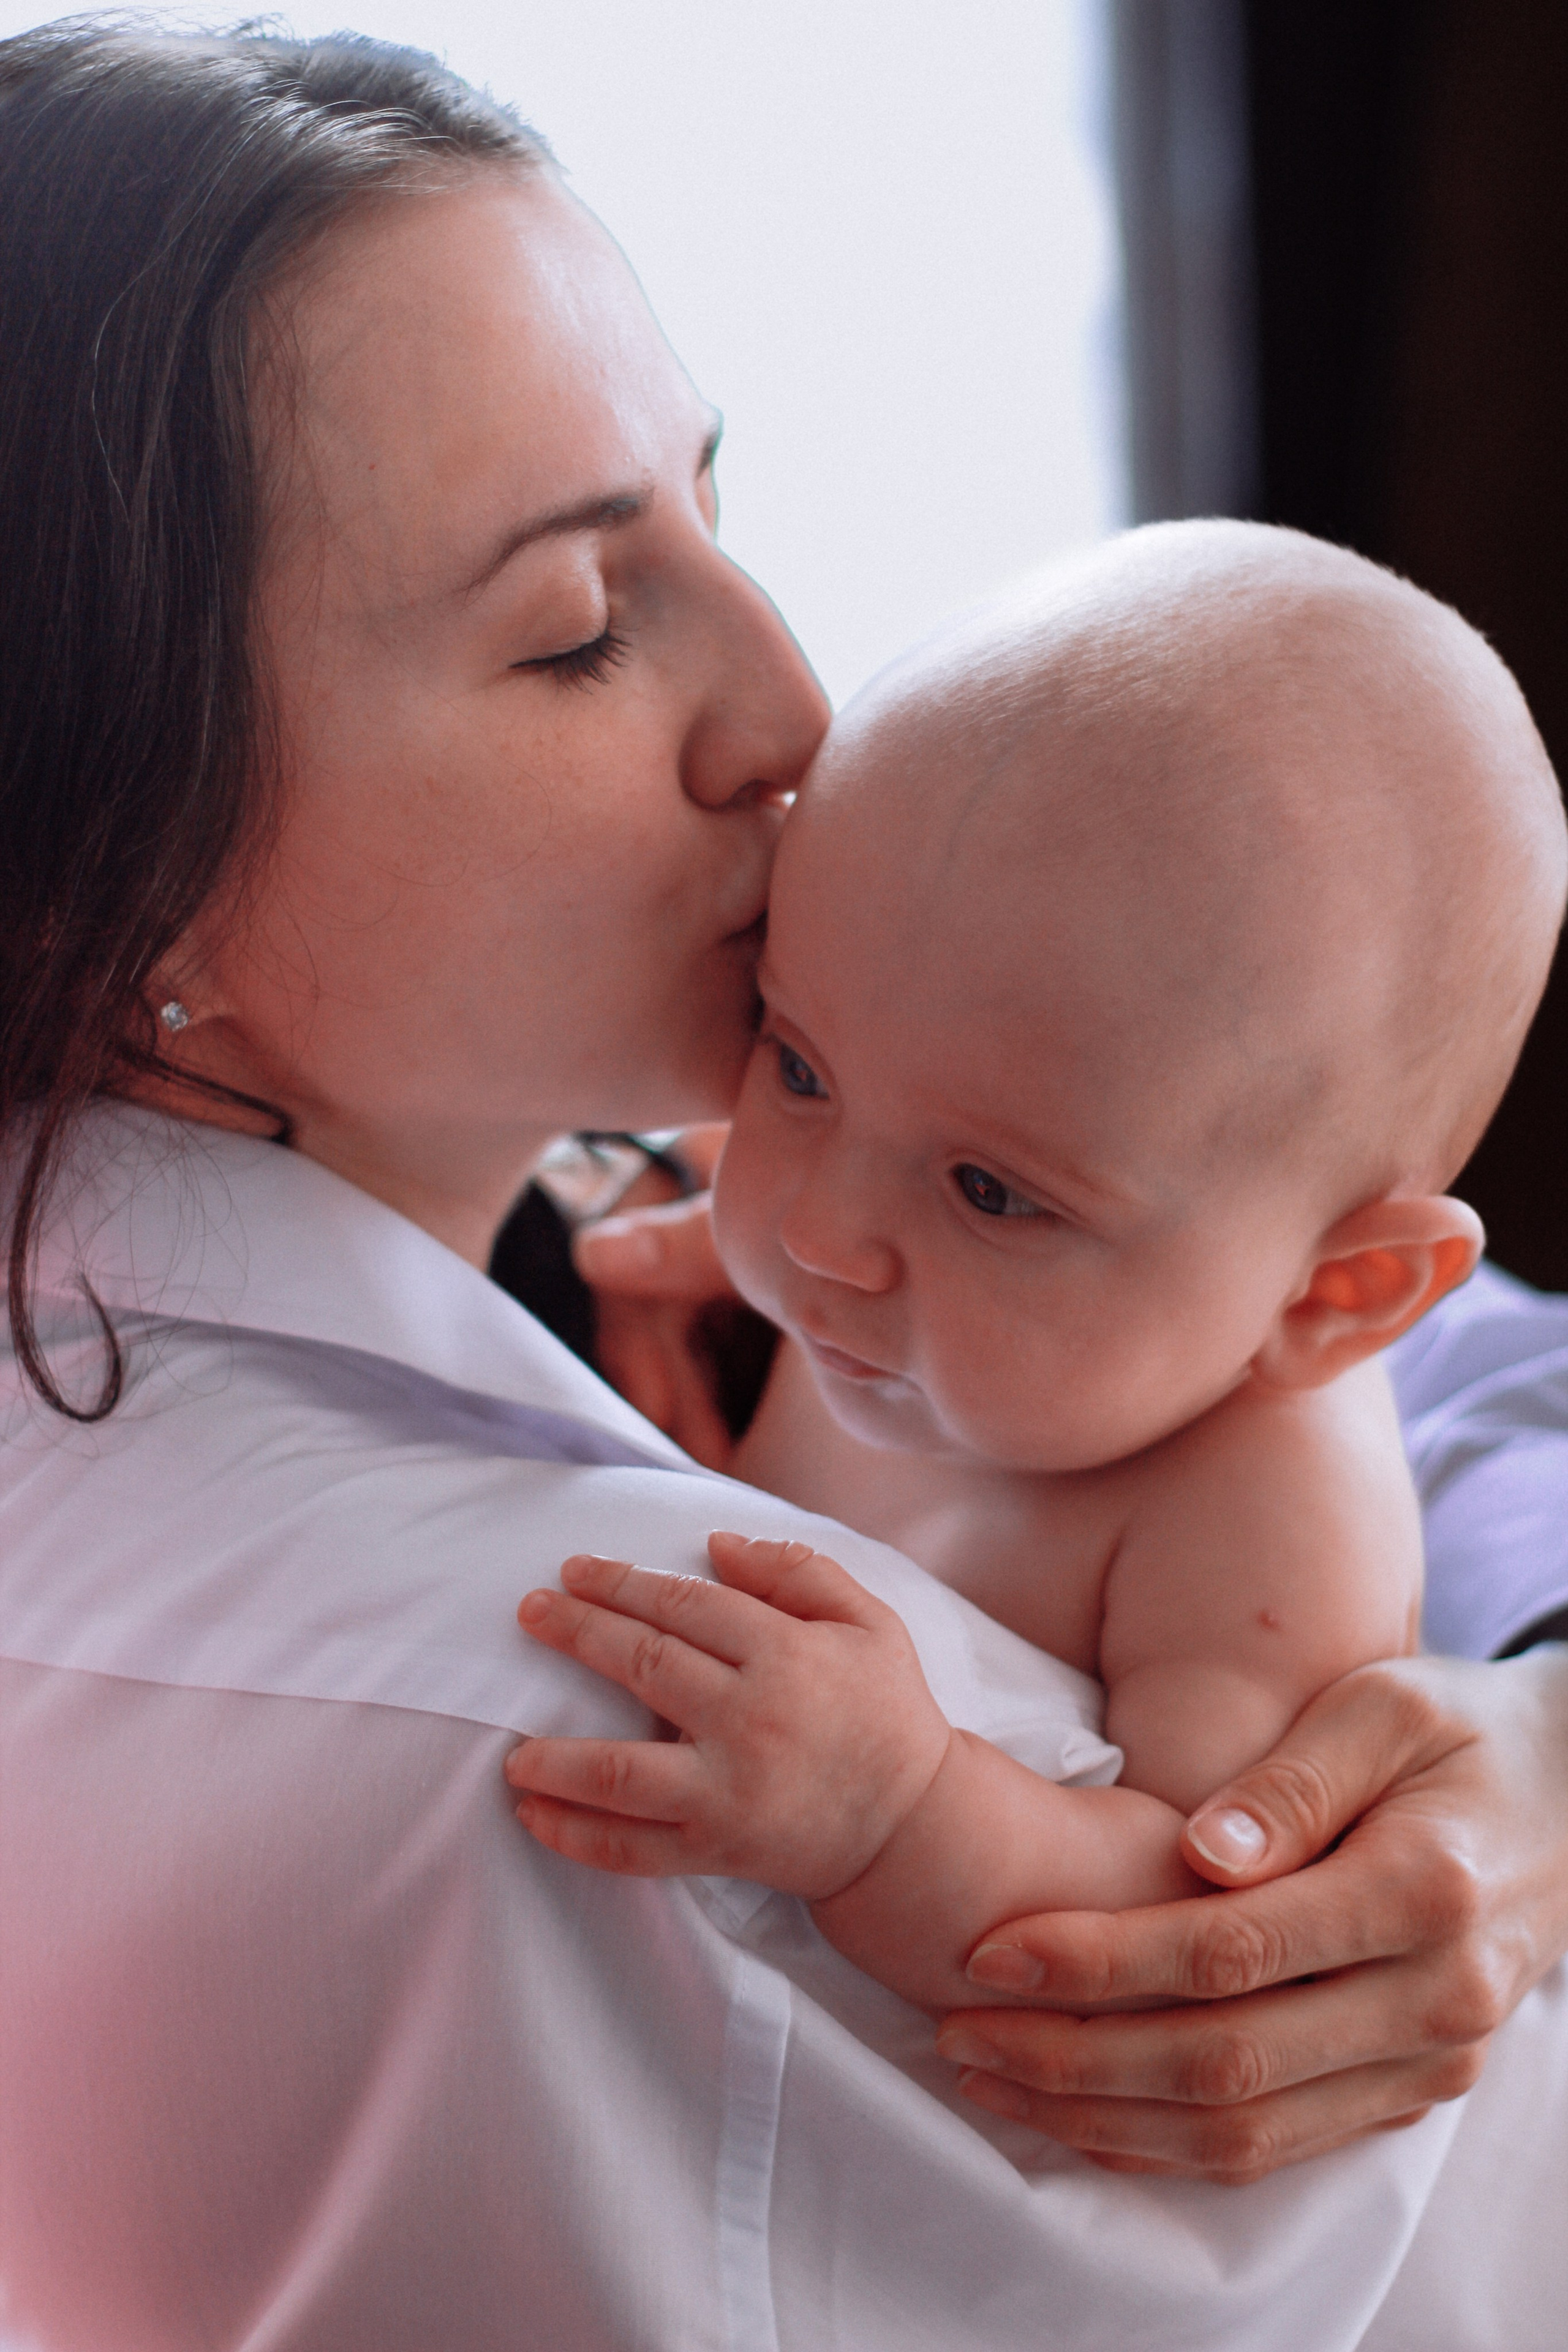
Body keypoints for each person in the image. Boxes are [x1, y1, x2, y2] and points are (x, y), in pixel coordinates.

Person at [1, 21, 1567, 2351]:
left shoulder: (676, 1185)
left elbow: (1433, 1353)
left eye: (714, 509)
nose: (798, 711)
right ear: (108, 886)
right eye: (577, 629)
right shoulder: (662, 1734)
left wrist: (1534, 1715)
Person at [504, 521, 1568, 2011]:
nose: (815, 1232)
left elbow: (1206, 1923)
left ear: (1331, 1296)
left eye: (991, 1192)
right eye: (794, 1064)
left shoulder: (1255, 1528)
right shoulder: (920, 1274)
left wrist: (899, 1809)